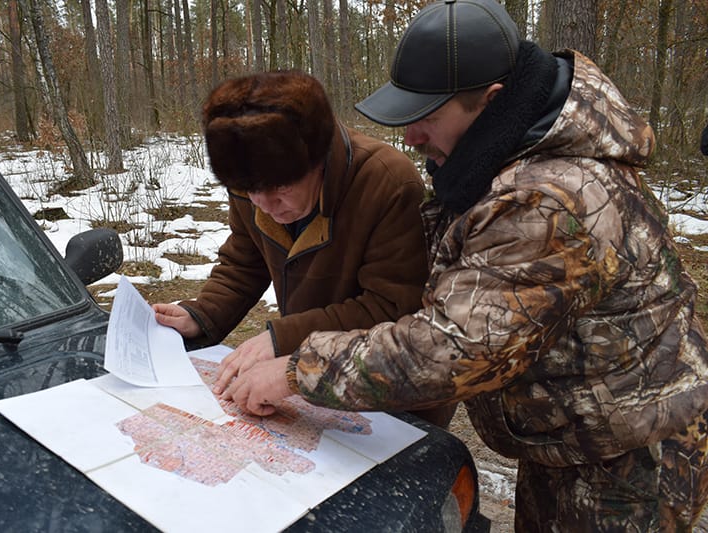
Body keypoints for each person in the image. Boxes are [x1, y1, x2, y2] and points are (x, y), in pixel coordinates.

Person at [222, 1, 708, 531]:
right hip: (580, 433)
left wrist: (299, 369)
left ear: (490, 102)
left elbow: (454, 349)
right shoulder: (506, 158)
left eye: (427, 118)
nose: (410, 138)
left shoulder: (546, 198)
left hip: (631, 451)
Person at [153, 70, 433, 407]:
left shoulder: (388, 182)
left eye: (280, 189)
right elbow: (245, 261)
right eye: (249, 191)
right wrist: (202, 315)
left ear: (319, 159)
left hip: (386, 393)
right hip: (303, 378)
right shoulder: (251, 176)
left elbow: (392, 306)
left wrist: (282, 339)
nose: (265, 206)